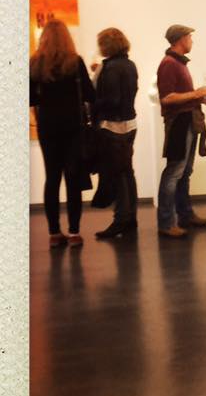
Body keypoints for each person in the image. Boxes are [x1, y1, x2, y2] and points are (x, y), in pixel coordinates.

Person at [29, 19, 95, 248]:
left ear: (44, 38)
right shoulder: (75, 62)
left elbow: (30, 98)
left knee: (52, 179)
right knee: (73, 179)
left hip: (48, 128)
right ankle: (74, 232)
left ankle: (54, 233)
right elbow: (90, 94)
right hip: (73, 127)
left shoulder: (35, 63)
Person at [156, 25, 206, 239]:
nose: (192, 41)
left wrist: (200, 97)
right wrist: (196, 94)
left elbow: (179, 96)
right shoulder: (169, 64)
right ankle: (166, 222)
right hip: (179, 123)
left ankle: (185, 215)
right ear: (181, 39)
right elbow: (167, 98)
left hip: (188, 120)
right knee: (174, 171)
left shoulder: (178, 63)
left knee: (184, 171)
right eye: (189, 37)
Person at [91, 27, 139, 239]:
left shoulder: (110, 68)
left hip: (113, 127)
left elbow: (112, 100)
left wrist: (93, 104)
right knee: (127, 172)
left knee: (118, 175)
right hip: (130, 124)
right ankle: (130, 219)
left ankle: (120, 220)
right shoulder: (130, 65)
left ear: (106, 46)